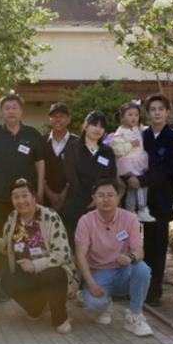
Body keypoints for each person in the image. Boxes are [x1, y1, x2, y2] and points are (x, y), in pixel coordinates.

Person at [0, 179, 78, 334]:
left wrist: (36, 265)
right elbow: (7, 247)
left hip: (50, 271)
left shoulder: (50, 216)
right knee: (6, 279)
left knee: (53, 274)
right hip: (25, 272)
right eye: (16, 197)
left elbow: (63, 253)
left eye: (25, 196)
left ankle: (60, 318)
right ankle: (36, 308)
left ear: (34, 197)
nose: (21, 201)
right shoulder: (13, 217)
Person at [74, 179, 153, 337]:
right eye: (101, 195)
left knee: (143, 269)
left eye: (110, 195)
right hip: (99, 273)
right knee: (93, 305)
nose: (106, 199)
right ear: (94, 198)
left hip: (123, 270)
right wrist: (90, 283)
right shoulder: (86, 221)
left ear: (118, 197)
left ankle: (135, 316)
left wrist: (130, 256)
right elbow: (80, 255)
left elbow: (139, 251)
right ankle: (104, 304)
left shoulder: (130, 218)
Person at [136, 95, 173, 307]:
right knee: (139, 246)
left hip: (161, 200)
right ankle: (138, 287)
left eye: (160, 109)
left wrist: (143, 179)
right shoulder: (141, 135)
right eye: (152, 109)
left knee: (157, 247)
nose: (156, 112)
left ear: (167, 112)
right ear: (148, 113)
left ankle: (154, 291)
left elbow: (168, 169)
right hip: (138, 200)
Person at [0, 93, 47, 228]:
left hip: (26, 197)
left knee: (28, 233)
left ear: (21, 111)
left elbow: (40, 164)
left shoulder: (33, 134)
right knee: (2, 231)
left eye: (14, 108)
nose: (11, 111)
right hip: (0, 195)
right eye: (7, 108)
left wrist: (40, 191)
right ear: (1, 112)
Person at [61, 111, 119, 246]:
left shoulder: (107, 151)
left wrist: (99, 199)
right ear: (85, 126)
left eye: (101, 126)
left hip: (102, 206)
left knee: (99, 246)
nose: (97, 129)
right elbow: (71, 176)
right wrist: (90, 198)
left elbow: (111, 177)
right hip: (77, 204)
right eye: (94, 124)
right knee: (76, 245)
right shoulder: (73, 147)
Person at [109, 100, 151, 222]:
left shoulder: (138, 129)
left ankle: (131, 211)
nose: (134, 117)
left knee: (133, 189)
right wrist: (131, 144)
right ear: (122, 117)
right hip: (127, 164)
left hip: (138, 162)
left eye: (136, 115)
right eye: (130, 114)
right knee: (139, 185)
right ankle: (141, 209)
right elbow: (118, 150)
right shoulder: (119, 133)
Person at [44, 102, 73, 212]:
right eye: (54, 116)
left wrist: (63, 195)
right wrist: (49, 194)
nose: (58, 119)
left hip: (70, 200)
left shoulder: (77, 143)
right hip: (46, 200)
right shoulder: (41, 141)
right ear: (49, 119)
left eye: (62, 116)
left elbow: (78, 172)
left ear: (68, 119)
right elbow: (38, 170)